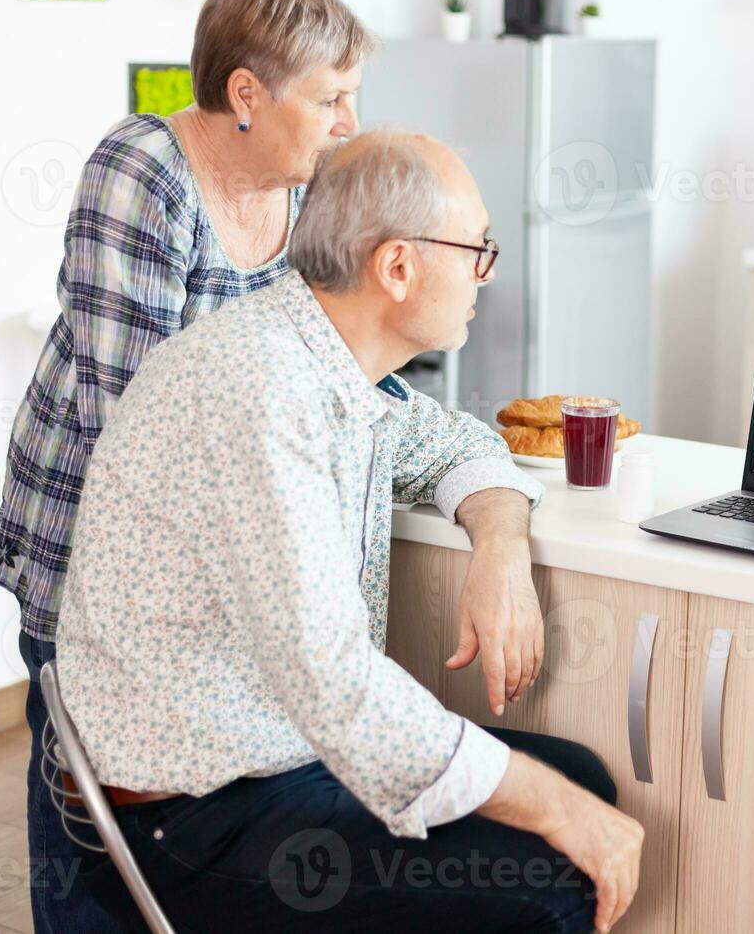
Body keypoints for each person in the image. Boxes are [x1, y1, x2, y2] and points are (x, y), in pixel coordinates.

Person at [55, 130, 644, 933]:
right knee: (551, 878)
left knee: (575, 776)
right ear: (397, 266)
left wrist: (500, 555)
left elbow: (466, 445)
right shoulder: (261, 393)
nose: (487, 272)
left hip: (274, 757)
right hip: (196, 817)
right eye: (478, 249)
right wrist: (561, 813)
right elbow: (339, 691)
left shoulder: (329, 365)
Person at [0, 0, 391, 931]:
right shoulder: (141, 174)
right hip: (93, 551)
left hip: (210, 565)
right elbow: (142, 424)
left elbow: (335, 354)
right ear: (246, 94)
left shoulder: (303, 192)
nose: (345, 123)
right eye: (329, 98)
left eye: (352, 98)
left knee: (179, 828)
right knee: (92, 832)